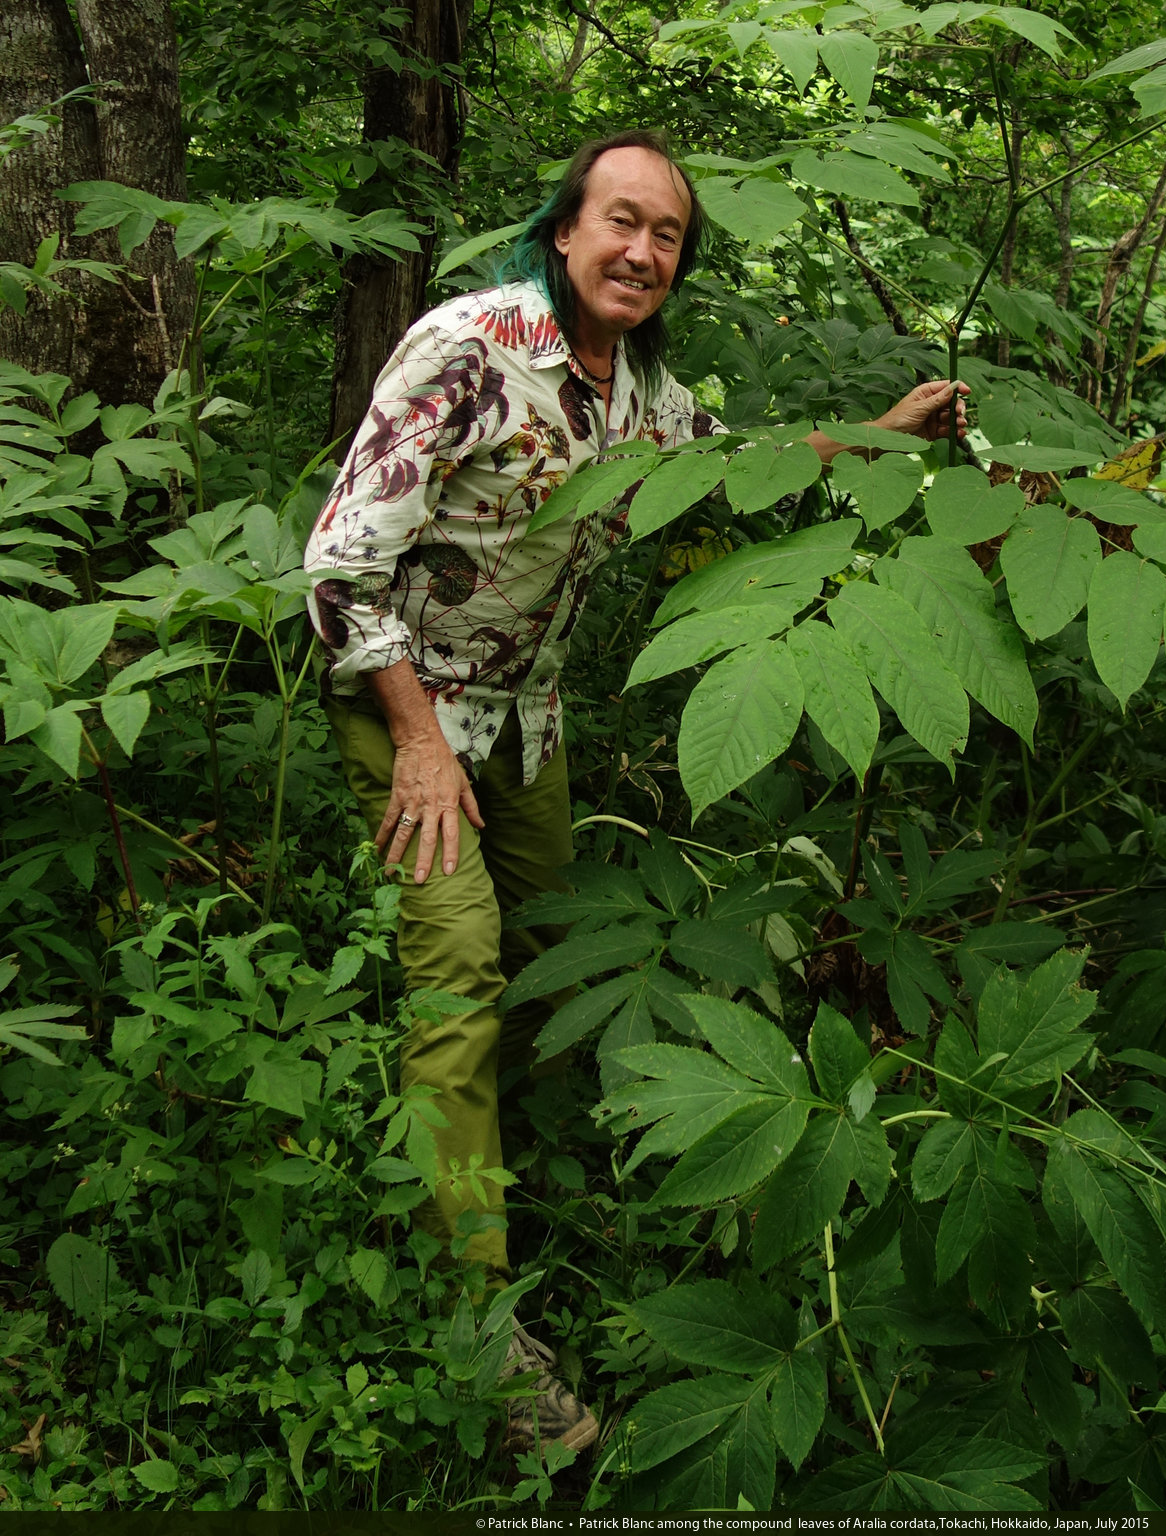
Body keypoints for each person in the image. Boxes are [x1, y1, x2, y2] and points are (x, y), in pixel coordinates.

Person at [304, 128, 965, 1452]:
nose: (641, 250)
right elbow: (338, 568)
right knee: (460, 973)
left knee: (555, 949)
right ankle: (476, 1329)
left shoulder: (645, 393)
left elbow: (740, 466)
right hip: (407, 709)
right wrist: (418, 743)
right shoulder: (467, 347)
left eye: (666, 234)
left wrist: (882, 438)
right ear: (564, 230)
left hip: (527, 724)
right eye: (620, 220)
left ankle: (480, 1169)